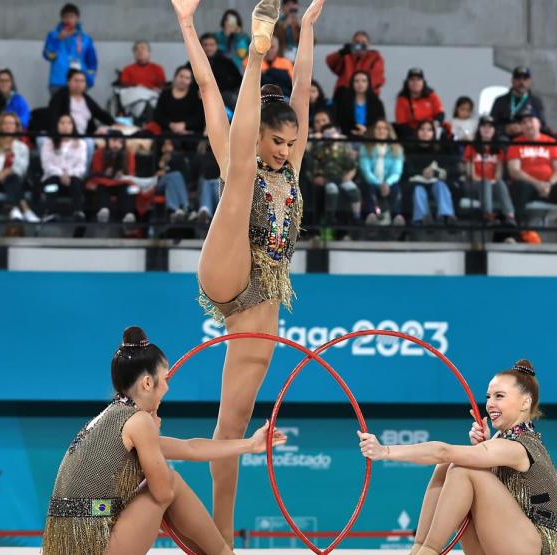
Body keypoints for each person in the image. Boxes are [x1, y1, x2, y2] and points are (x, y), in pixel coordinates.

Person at [172, 0, 323, 545]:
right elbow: (210, 91)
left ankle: (221, 538)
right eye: (275, 141)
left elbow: (302, 89)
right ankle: (257, 54)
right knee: (239, 176)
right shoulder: (243, 151)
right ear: (260, 133)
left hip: (264, 296)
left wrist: (305, 30)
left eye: (289, 143)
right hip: (226, 265)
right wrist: (186, 24)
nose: (283, 151)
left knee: (231, 427)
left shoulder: (293, 163)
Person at [41, 325, 287, 555]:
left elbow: (190, 447)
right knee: (169, 480)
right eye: (165, 379)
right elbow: (162, 491)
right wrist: (152, 434)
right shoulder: (138, 421)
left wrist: (250, 444)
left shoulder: (111, 417)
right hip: (94, 544)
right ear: (148, 382)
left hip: (70, 540)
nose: (167, 388)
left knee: (160, 484)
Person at [357, 359, 557, 555]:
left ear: (525, 402)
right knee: (447, 466)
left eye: (499, 396)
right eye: (488, 397)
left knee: (461, 468)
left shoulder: (519, 446)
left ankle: (429, 550)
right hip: (505, 541)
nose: (490, 404)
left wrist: (385, 452)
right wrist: (486, 445)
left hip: (533, 548)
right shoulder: (504, 441)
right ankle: (419, 547)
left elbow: (443, 451)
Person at [506, 110, 557, 244]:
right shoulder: (515, 143)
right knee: (518, 186)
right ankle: (519, 234)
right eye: (524, 122)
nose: (528, 125)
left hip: (548, 186)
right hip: (527, 186)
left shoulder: (550, 141)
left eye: (531, 121)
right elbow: (514, 171)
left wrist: (549, 184)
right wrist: (537, 184)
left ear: (539, 123)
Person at [0, 112, 38, 223]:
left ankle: (14, 209)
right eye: (5, 123)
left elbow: (22, 168)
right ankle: (25, 209)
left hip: (16, 180)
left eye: (11, 124)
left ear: (16, 127)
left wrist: (7, 171)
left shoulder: (22, 147)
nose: (8, 126)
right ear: (0, 126)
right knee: (13, 180)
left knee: (12, 178)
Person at [305, 120, 360, 226]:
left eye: (333, 133)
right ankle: (330, 217)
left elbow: (351, 165)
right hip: (327, 179)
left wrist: (351, 159)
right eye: (327, 134)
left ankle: (356, 217)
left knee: (354, 190)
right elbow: (312, 164)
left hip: (342, 178)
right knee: (332, 190)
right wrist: (315, 178)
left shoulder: (344, 147)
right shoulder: (319, 148)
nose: (331, 136)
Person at [462, 116, 516, 225]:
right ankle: (487, 215)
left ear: (494, 130)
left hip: (492, 185)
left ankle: (510, 216)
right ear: (479, 129)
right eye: (484, 126)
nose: (487, 129)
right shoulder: (471, 147)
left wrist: (492, 181)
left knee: (500, 183)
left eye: (490, 127)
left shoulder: (499, 150)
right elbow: (470, 173)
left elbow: (498, 173)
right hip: (473, 184)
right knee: (485, 182)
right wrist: (486, 181)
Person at [402, 120, 457, 226]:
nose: (425, 132)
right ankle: (422, 219)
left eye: (429, 130)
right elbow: (406, 170)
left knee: (441, 186)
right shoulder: (409, 149)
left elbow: (447, 170)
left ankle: (446, 216)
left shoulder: (439, 150)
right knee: (419, 190)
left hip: (435, 182)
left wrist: (434, 173)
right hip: (416, 183)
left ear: (433, 133)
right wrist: (422, 172)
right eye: (422, 129)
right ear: (417, 132)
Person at [40, 114, 88, 228]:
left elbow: (81, 166)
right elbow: (47, 164)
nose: (65, 126)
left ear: (73, 126)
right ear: (57, 125)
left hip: (73, 177)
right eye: (62, 123)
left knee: (76, 182)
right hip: (53, 176)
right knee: (52, 184)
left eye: (69, 123)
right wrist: (61, 174)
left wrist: (68, 174)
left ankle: (78, 213)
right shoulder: (48, 142)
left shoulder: (81, 143)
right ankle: (50, 213)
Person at [43, 3, 98, 96]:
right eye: (66, 17)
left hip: (79, 81)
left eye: (72, 16)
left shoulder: (85, 39)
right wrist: (57, 40)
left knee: (78, 109)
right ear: (62, 19)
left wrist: (89, 79)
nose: (69, 19)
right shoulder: (53, 35)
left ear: (77, 18)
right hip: (58, 81)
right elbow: (48, 56)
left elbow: (92, 62)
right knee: (58, 110)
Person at [88, 129, 138, 229]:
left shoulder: (128, 154)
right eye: (112, 141)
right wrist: (105, 174)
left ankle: (128, 215)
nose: (115, 144)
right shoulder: (99, 153)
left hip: (122, 182)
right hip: (104, 182)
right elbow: (95, 171)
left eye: (118, 141)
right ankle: (103, 211)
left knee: (128, 189)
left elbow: (131, 172)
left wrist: (123, 174)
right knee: (101, 188)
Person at [358, 119, 405, 226]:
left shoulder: (397, 148)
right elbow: (366, 170)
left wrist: (387, 183)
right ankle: (371, 215)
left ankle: (397, 217)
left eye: (384, 128)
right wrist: (379, 184)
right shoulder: (365, 147)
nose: (381, 131)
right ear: (374, 131)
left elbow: (397, 172)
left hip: (389, 183)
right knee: (369, 187)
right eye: (378, 128)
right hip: (372, 182)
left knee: (396, 187)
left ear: (389, 132)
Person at [490, 66, 547, 140]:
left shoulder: (536, 101)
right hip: (505, 138)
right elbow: (491, 123)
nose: (521, 82)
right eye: (518, 79)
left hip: (527, 137)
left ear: (529, 81)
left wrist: (523, 127)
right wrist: (505, 129)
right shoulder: (500, 101)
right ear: (512, 80)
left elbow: (542, 124)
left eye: (525, 79)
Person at [326, 30, 385, 95]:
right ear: (352, 44)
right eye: (357, 42)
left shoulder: (375, 57)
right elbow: (330, 62)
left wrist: (359, 89)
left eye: (363, 42)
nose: (360, 45)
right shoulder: (345, 56)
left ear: (368, 44)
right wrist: (340, 53)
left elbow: (376, 77)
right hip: (344, 95)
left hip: (367, 95)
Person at [152, 66, 205, 136]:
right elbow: (157, 115)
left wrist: (184, 125)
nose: (183, 80)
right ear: (175, 77)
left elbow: (199, 118)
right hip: (166, 131)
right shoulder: (165, 94)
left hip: (189, 133)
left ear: (191, 81)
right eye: (181, 76)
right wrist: (170, 124)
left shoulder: (195, 96)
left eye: (187, 78)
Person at [394, 68, 444, 139]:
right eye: (412, 80)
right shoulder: (402, 99)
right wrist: (418, 133)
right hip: (411, 133)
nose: (415, 82)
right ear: (407, 83)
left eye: (418, 79)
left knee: (443, 134)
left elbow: (440, 114)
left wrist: (431, 130)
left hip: (430, 131)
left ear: (423, 82)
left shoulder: (431, 95)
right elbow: (401, 124)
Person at [333, 70, 385, 138]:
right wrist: (353, 132)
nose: (360, 84)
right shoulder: (344, 102)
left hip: (371, 139)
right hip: (348, 138)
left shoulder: (377, 103)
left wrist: (367, 131)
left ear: (368, 84)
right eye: (356, 81)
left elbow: (381, 123)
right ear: (352, 83)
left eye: (363, 81)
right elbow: (339, 122)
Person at [199, 33, 243, 103]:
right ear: (200, 46)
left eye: (211, 45)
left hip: (224, 95)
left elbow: (238, 80)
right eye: (205, 45)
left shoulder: (227, 62)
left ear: (216, 46)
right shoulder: (194, 63)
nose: (208, 48)